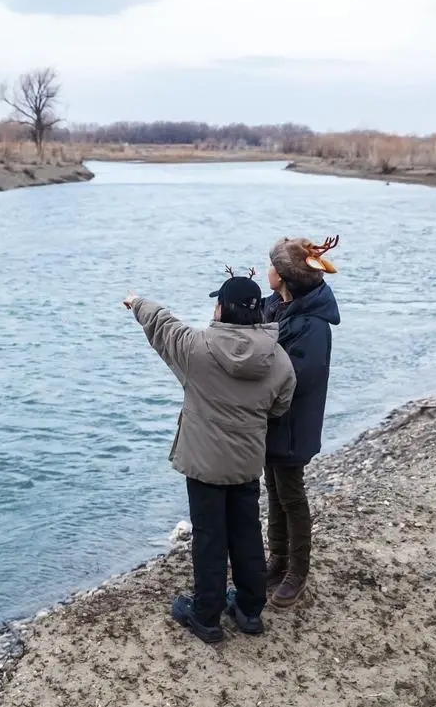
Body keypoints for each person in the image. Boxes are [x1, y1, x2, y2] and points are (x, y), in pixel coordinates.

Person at [123, 270, 296, 643]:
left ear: (221, 310)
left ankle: (207, 617)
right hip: (248, 463)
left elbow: (163, 324)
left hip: (204, 466)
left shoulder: (196, 349)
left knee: (209, 538)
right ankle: (250, 612)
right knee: (247, 534)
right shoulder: (279, 360)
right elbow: (281, 406)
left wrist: (136, 303)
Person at [263, 235, 341, 609]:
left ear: (284, 278)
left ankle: (297, 571)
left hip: (293, 425)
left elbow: (299, 378)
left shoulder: (312, 326)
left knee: (291, 496)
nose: (267, 271)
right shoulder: (277, 306)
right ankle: (277, 558)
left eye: (272, 268)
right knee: (274, 492)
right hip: (271, 423)